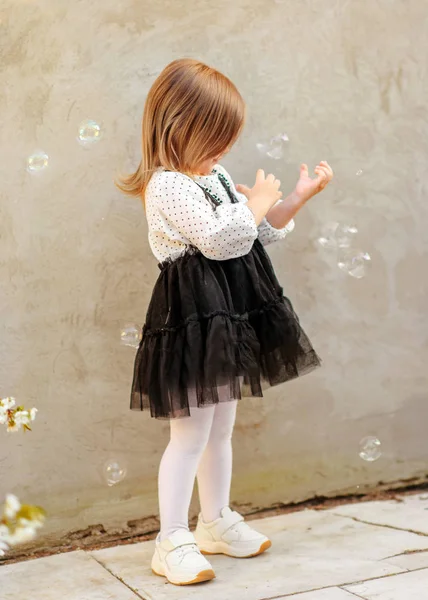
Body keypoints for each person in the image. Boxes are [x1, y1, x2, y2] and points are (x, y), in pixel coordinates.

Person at [117, 58, 333, 586]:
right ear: (177, 127)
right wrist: (254, 202)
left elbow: (255, 235)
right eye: (215, 138)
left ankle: (215, 522)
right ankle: (171, 539)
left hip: (228, 313)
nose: (224, 151)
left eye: (227, 140)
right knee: (190, 432)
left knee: (222, 428)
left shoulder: (210, 175)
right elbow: (221, 239)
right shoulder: (166, 186)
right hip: (194, 316)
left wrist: (290, 202)